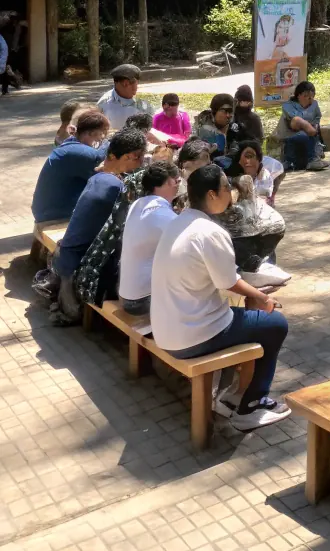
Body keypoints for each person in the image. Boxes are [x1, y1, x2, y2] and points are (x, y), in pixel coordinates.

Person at [150, 164, 291, 429]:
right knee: (275, 325)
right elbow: (229, 282)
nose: (231, 192)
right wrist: (262, 297)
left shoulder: (177, 221)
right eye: (227, 187)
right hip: (192, 336)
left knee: (251, 319)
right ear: (212, 195)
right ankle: (252, 405)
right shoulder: (210, 231)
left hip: (164, 330)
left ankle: (233, 397)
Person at [50, 127, 147, 307]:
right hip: (80, 269)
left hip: (66, 259)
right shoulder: (114, 188)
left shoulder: (100, 178)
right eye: (140, 157)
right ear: (127, 157)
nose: (142, 162)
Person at [119, 161, 181, 315]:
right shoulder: (163, 215)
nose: (178, 185)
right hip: (142, 301)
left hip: (126, 295)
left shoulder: (137, 204)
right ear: (168, 181)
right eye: (177, 181)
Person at [31, 109, 110, 223]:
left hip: (45, 210)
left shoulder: (71, 144)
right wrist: (109, 143)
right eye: (101, 134)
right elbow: (101, 160)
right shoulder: (79, 152)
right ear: (90, 133)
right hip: (53, 214)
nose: (101, 139)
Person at [277, 80, 327, 171]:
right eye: (306, 96)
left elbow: (316, 119)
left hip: (310, 137)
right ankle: (305, 160)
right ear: (298, 96)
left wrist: (314, 126)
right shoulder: (288, 106)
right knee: (304, 134)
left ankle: (313, 159)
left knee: (309, 135)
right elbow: (296, 121)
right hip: (289, 137)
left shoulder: (314, 104)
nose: (309, 99)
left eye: (312, 96)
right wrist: (307, 125)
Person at [227, 139, 284, 203]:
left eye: (250, 156)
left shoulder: (266, 175)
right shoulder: (232, 177)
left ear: (259, 160)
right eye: (245, 157)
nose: (248, 161)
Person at [96, 64, 153, 129]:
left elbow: (151, 125)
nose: (137, 88)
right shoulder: (104, 104)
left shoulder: (142, 102)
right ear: (125, 84)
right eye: (136, 84)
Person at [227, 84, 264, 152]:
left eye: (247, 101)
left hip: (246, 152)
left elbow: (258, 140)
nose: (245, 103)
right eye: (240, 101)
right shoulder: (230, 115)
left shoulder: (254, 118)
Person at [0, 14, 20, 94]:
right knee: (5, 71)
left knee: (5, 71)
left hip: (6, 52)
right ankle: (6, 87)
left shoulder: (7, 31)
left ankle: (7, 87)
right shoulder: (8, 30)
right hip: (6, 51)